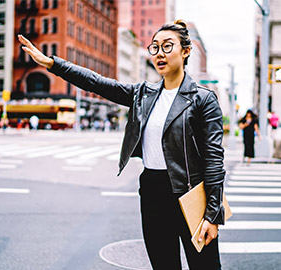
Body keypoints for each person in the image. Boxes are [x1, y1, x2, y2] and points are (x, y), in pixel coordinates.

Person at [19, 20, 226, 270]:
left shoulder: (203, 99)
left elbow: (214, 160)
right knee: (163, 265)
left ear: (186, 51)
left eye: (168, 46)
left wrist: (212, 214)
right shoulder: (143, 94)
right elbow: (97, 82)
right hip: (153, 191)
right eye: (155, 47)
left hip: (191, 192)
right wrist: (53, 63)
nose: (159, 53)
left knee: (205, 267)